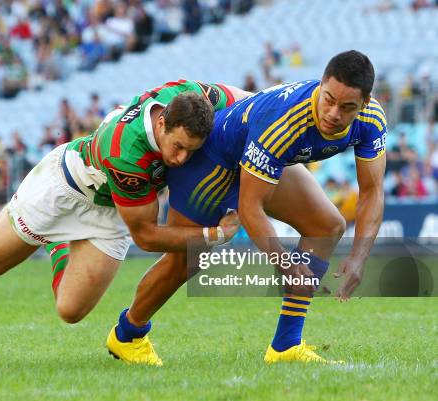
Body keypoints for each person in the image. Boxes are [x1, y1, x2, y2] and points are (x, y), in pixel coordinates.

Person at [0, 80, 244, 356]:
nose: (180, 159)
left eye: (189, 151)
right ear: (161, 124)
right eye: (177, 147)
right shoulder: (127, 152)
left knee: (70, 310)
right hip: (64, 189)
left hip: (111, 210)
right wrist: (212, 235)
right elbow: (146, 235)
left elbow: (245, 101)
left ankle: (59, 244)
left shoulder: (196, 99)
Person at [107, 50, 387, 366]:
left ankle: (285, 346)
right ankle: (127, 334)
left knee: (326, 226)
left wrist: (360, 256)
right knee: (187, 259)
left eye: (347, 107)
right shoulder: (285, 122)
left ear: (364, 103)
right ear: (321, 85)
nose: (334, 113)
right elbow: (250, 207)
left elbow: (372, 192)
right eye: (329, 99)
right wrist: (285, 263)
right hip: (214, 160)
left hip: (265, 158)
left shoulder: (371, 120)